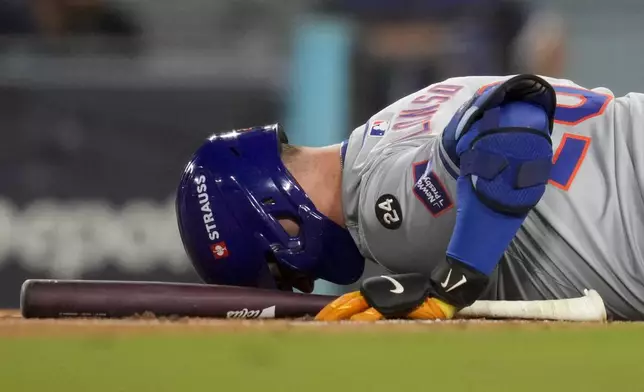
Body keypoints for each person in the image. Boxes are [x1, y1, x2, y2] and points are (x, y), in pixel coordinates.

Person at [176, 74, 644, 321]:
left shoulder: (380, 208)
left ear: (275, 219)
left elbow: (514, 123)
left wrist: (459, 283)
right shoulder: (388, 125)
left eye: (280, 272)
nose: (301, 287)